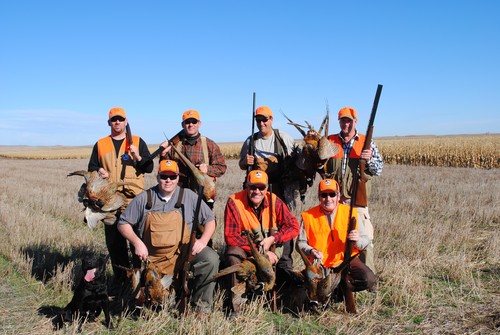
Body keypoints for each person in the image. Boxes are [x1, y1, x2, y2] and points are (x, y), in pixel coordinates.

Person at [117, 160, 219, 313]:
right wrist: (137, 243)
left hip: (183, 255)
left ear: (178, 178)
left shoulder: (189, 196)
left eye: (172, 177)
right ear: (158, 177)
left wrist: (203, 241)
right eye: (164, 176)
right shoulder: (144, 198)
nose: (168, 180)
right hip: (154, 262)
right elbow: (122, 223)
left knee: (211, 258)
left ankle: (201, 308)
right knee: (157, 305)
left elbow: (210, 220)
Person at [88, 107, 154, 283]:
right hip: (110, 200)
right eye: (114, 119)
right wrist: (99, 170)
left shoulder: (138, 141)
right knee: (115, 243)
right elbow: (91, 167)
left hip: (134, 200)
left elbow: (149, 167)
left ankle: (140, 281)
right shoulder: (101, 144)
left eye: (120, 119)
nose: (117, 122)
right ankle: (121, 281)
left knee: (137, 242)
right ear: (109, 122)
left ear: (126, 121)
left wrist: (137, 156)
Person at [222, 170, 299, 314]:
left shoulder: (274, 200)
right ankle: (236, 306)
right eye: (252, 187)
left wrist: (274, 238)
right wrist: (261, 253)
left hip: (271, 250)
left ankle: (284, 297)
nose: (257, 191)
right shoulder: (234, 202)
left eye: (261, 187)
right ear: (246, 186)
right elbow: (231, 237)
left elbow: (293, 226)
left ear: (266, 188)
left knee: (287, 243)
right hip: (248, 251)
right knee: (233, 254)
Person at [238, 105, 298, 288]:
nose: (262, 123)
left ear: (271, 120)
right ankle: (262, 266)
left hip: (281, 191)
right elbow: (242, 164)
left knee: (284, 230)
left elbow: (298, 162)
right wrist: (245, 162)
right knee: (261, 230)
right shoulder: (251, 141)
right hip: (259, 193)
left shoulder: (283, 138)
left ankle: (284, 267)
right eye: (258, 120)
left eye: (265, 120)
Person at [324, 106, 383, 274]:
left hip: (356, 202)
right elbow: (321, 167)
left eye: (349, 121)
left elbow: (378, 169)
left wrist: (369, 159)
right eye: (343, 120)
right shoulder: (330, 141)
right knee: (334, 240)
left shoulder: (366, 142)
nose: (346, 124)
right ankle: (336, 276)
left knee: (364, 241)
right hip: (334, 202)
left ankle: (368, 278)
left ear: (355, 122)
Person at [297, 179, 376, 302]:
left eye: (332, 194)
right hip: (321, 265)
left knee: (368, 279)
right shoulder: (308, 216)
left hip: (346, 260)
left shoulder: (351, 213)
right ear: (319, 197)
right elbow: (301, 243)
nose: (328, 199)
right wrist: (311, 251)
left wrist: (356, 240)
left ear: (338, 196)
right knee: (308, 292)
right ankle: (329, 294)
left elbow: (365, 240)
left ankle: (340, 290)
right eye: (324, 195)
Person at [160, 109, 226, 209]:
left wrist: (207, 169)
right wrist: (163, 154)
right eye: (187, 122)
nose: (191, 124)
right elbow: (165, 169)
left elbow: (222, 168)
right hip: (180, 195)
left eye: (194, 122)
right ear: (182, 125)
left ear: (199, 124)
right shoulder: (175, 146)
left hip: (203, 196)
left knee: (204, 223)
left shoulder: (210, 145)